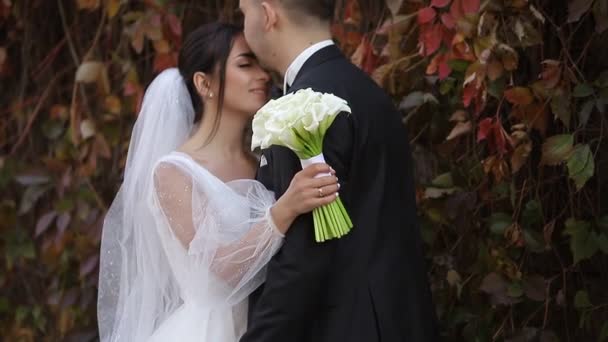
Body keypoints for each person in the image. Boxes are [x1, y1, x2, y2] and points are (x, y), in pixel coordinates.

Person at [97, 22, 340, 342]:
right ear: (204, 83)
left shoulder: (262, 162)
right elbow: (221, 267)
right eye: (245, 64)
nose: (263, 76)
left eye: (260, 64)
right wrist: (285, 209)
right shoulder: (173, 173)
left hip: (269, 326)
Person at [238, 1, 440, 341]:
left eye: (244, 12)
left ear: (268, 14)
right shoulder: (366, 91)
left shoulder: (306, 109)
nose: (244, 24)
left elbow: (304, 258)